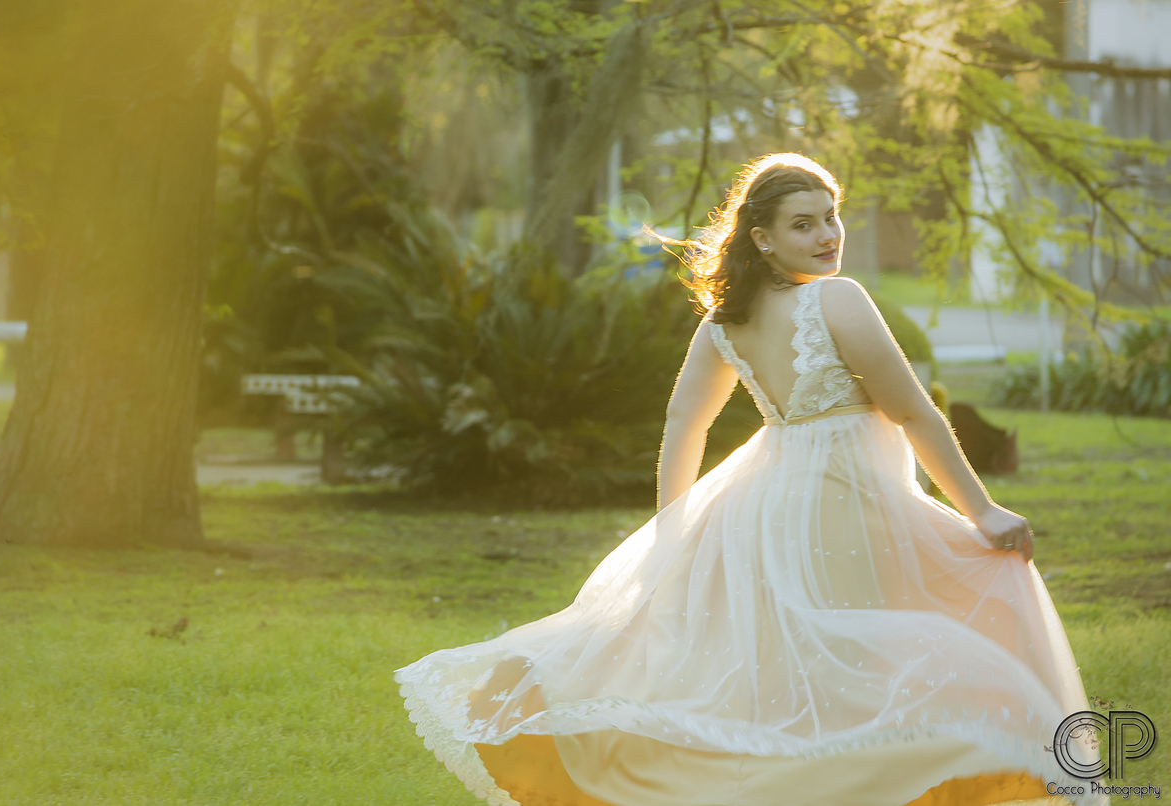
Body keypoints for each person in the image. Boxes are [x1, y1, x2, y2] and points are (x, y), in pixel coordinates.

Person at [395, 153, 1103, 806]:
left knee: (812, 672)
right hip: (841, 504)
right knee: (874, 661)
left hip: (773, 503)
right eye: (804, 224)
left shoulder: (724, 321)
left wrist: (675, 526)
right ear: (762, 238)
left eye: (831, 217)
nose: (827, 235)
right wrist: (982, 510)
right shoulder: (838, 299)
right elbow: (913, 410)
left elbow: (685, 422)